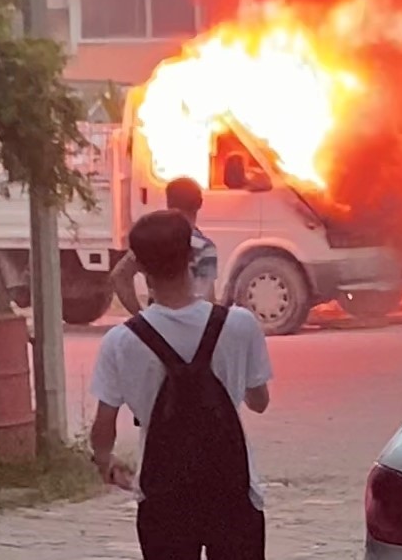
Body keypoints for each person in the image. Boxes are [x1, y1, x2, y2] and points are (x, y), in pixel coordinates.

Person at [90, 209, 272, 560]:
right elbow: (259, 401)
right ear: (192, 256)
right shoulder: (238, 325)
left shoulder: (121, 341)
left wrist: (104, 461)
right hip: (233, 494)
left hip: (163, 498)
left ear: (141, 268)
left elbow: (103, 426)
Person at [110, 177, 218, 314]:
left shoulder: (155, 240)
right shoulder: (204, 247)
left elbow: (120, 275)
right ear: (200, 203)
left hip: (156, 320)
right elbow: (207, 295)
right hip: (193, 326)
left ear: (168, 202)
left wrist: (139, 315)